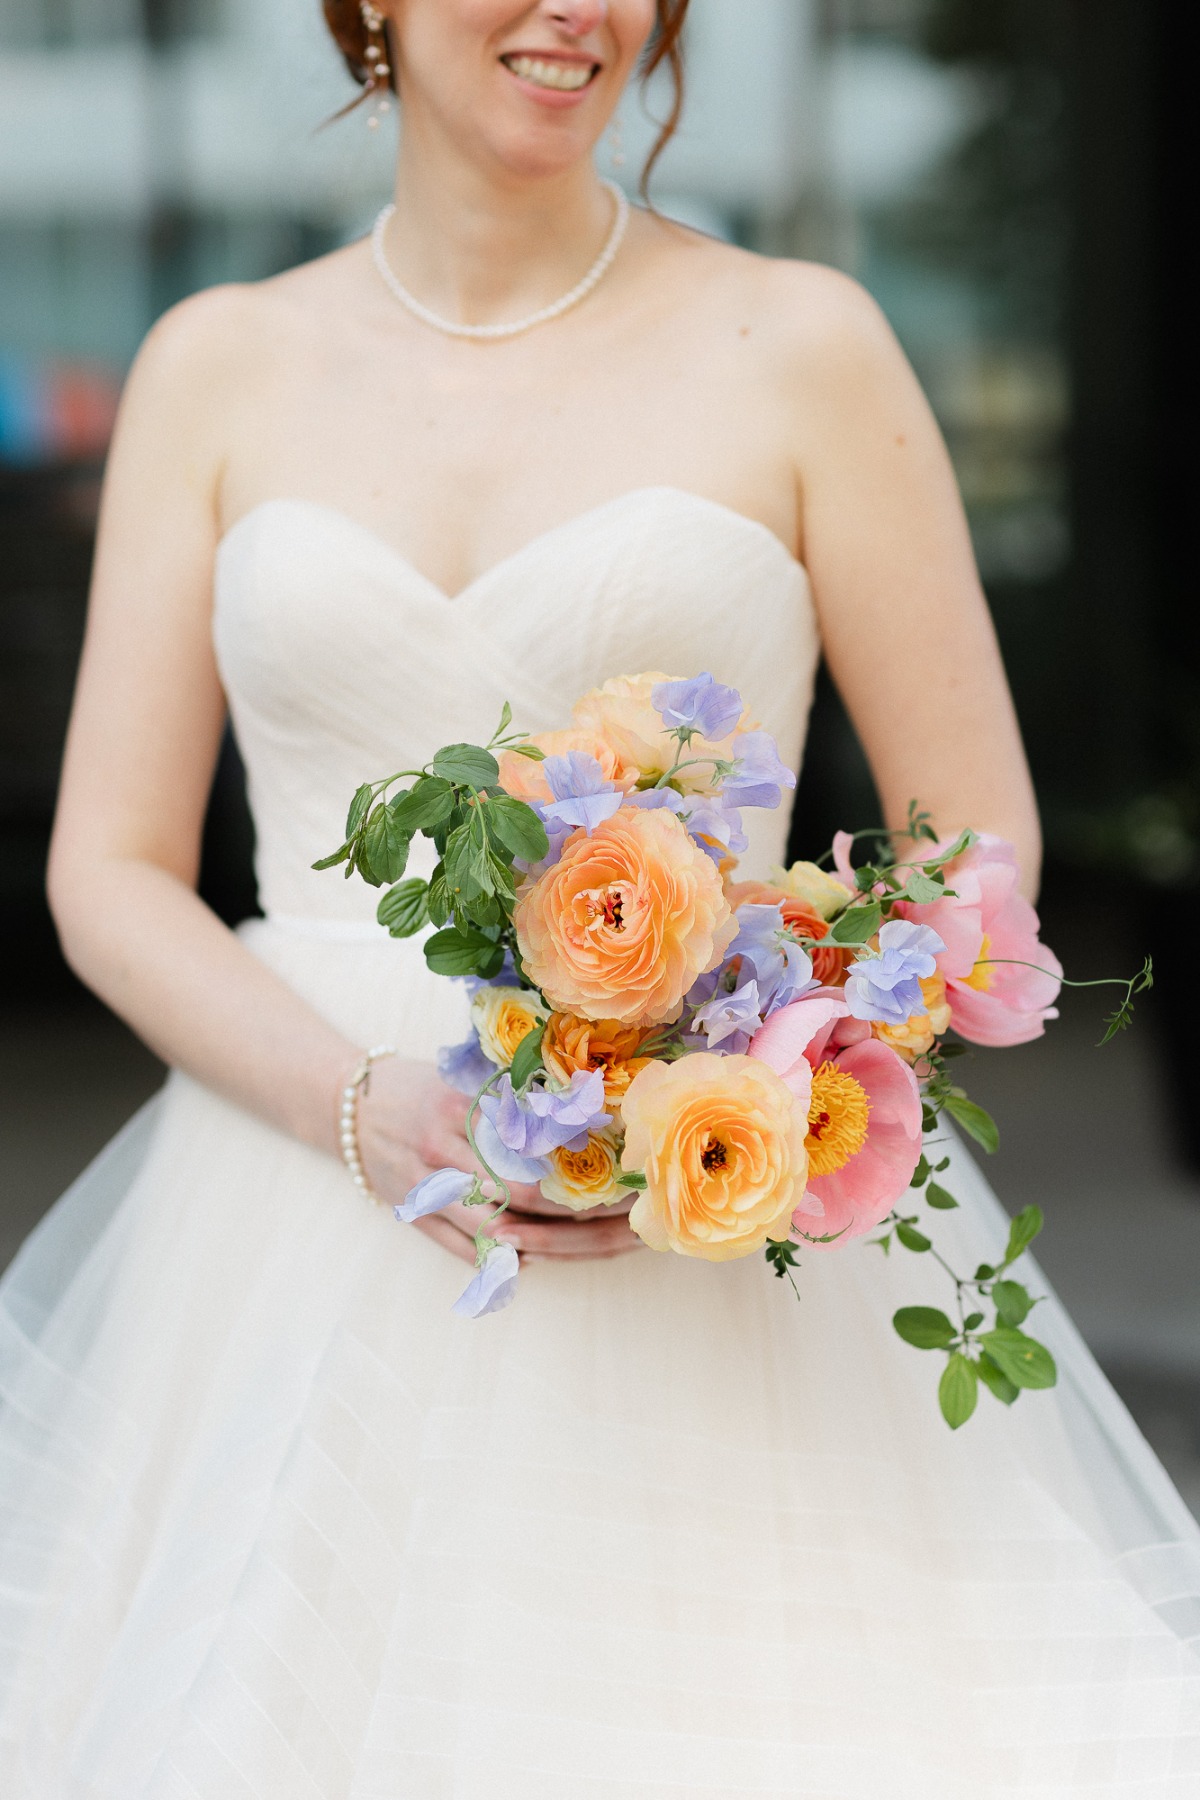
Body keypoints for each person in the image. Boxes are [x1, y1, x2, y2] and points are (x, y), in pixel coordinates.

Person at [1, 1, 1197, 1792]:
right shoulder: (213, 367)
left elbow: (974, 863)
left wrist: (726, 1110)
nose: (585, 11)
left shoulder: (806, 347)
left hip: (705, 1236)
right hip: (280, 1209)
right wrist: (366, 1113)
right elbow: (107, 870)